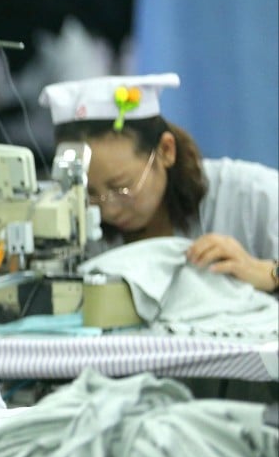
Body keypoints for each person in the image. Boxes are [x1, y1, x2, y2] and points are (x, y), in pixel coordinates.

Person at [39, 72, 279, 293]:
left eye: (121, 186)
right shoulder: (68, 220)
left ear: (166, 150)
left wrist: (266, 273)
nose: (108, 209)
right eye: (90, 193)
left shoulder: (252, 195)